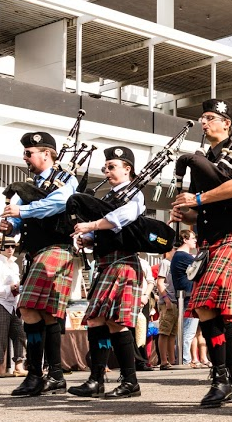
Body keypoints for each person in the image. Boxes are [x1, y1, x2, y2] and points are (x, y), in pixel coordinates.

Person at [171, 98, 232, 408]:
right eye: (203, 118)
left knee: (220, 309)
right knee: (206, 309)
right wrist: (187, 215)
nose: (204, 122)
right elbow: (204, 210)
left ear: (227, 123)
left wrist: (198, 198)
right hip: (208, 240)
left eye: (211, 117)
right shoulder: (206, 159)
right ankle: (226, 378)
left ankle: (231, 380)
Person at [1, 131, 78, 397]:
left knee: (28, 308)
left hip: (57, 248)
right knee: (45, 314)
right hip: (36, 251)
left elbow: (59, 204)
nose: (26, 158)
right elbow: (19, 220)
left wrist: (21, 211)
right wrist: (10, 223)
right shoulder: (27, 187)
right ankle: (55, 376)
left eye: (29, 153)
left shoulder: (66, 179)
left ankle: (34, 375)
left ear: (46, 153)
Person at [67, 146, 146, 398]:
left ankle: (130, 381)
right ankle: (96, 379)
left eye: (112, 166)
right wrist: (88, 239)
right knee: (95, 320)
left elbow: (123, 217)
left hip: (123, 262)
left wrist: (91, 224)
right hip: (106, 263)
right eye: (106, 167)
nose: (107, 171)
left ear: (127, 169)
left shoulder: (134, 194)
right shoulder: (110, 197)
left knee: (116, 322)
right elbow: (105, 227)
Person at [0, 237, 27, 378]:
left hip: (12, 304)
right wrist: (11, 287)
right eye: (7, 246)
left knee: (20, 335)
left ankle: (18, 367)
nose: (10, 249)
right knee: (1, 337)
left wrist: (16, 289)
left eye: (13, 246)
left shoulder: (14, 266)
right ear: (0, 248)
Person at [169, 230, 198, 366]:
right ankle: (184, 360)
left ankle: (184, 359)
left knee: (188, 331)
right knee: (188, 332)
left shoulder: (179, 255)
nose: (195, 240)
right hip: (187, 297)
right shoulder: (182, 256)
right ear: (185, 239)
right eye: (193, 238)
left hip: (186, 296)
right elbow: (200, 266)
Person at [156, 248, 176, 370]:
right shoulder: (165, 262)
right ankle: (164, 360)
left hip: (175, 299)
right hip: (167, 301)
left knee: (172, 333)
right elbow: (160, 282)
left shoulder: (174, 263)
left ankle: (172, 360)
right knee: (164, 331)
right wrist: (166, 299)